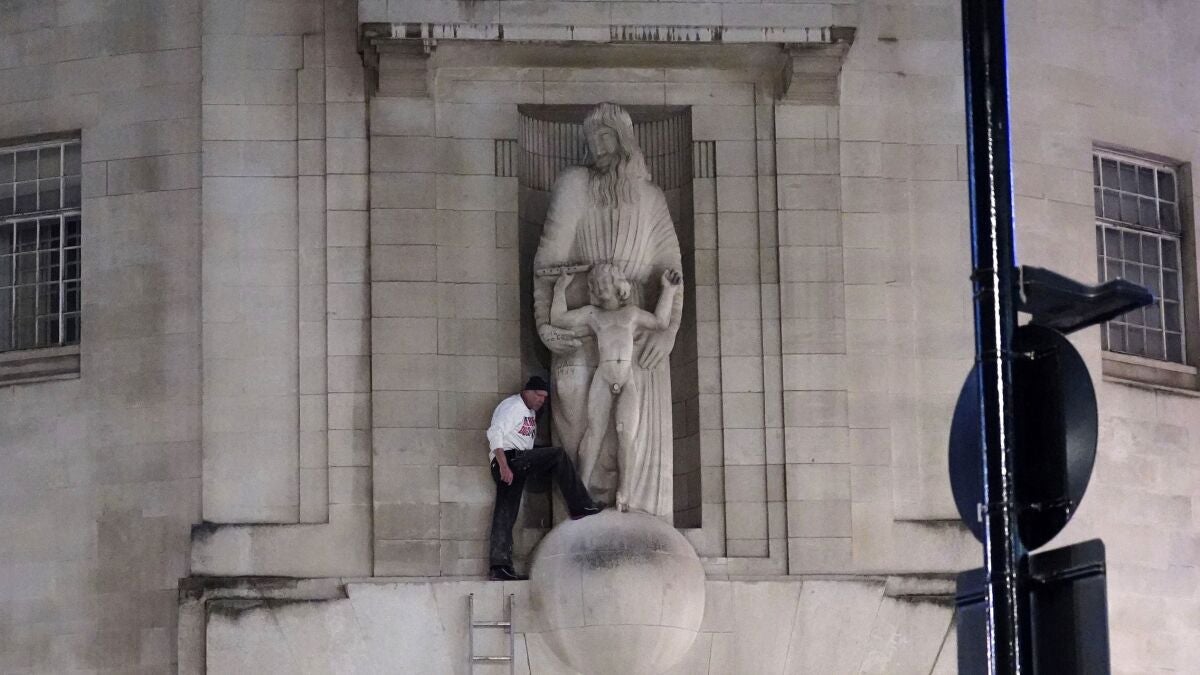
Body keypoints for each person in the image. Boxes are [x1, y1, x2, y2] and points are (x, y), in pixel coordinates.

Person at [531, 103, 684, 517]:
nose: (598, 147)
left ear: (624, 140)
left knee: (629, 432)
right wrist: (545, 324)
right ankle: (578, 507)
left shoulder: (651, 199)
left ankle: (632, 507)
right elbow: (548, 262)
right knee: (578, 408)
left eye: (605, 136)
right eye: (591, 139)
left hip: (638, 335)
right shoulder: (574, 186)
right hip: (583, 319)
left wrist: (669, 332)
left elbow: (672, 269)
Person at [550, 265, 682, 510]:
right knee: (594, 433)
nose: (601, 287)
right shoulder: (593, 314)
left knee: (626, 436)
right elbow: (558, 319)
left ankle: (624, 493)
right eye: (596, 283)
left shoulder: (631, 314)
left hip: (626, 379)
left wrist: (668, 291)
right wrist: (560, 288)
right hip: (603, 377)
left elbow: (660, 322)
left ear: (617, 284)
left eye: (605, 281)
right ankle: (581, 490)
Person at [486, 376, 601, 581]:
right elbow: (494, 433)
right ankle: (580, 506)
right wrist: (504, 466)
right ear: (527, 391)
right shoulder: (512, 406)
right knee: (558, 456)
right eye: (538, 395)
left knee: (507, 512)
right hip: (511, 459)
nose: (541, 400)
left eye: (544, 397)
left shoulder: (530, 411)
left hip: (520, 460)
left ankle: (500, 567)